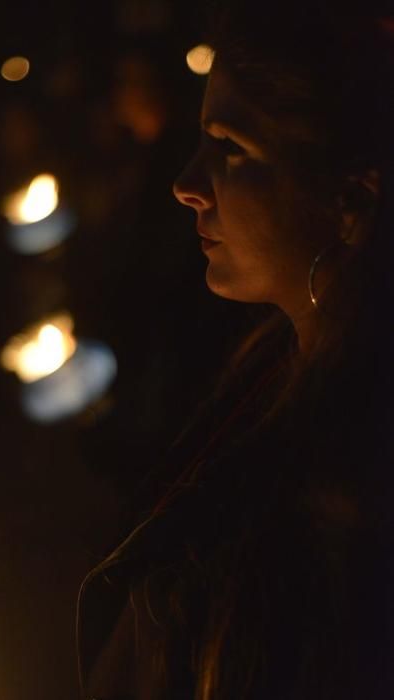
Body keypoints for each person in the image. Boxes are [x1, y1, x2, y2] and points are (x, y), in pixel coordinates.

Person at [77, 1, 394, 698]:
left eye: (231, 148)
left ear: (350, 198)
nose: (186, 185)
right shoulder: (268, 368)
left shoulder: (356, 477)